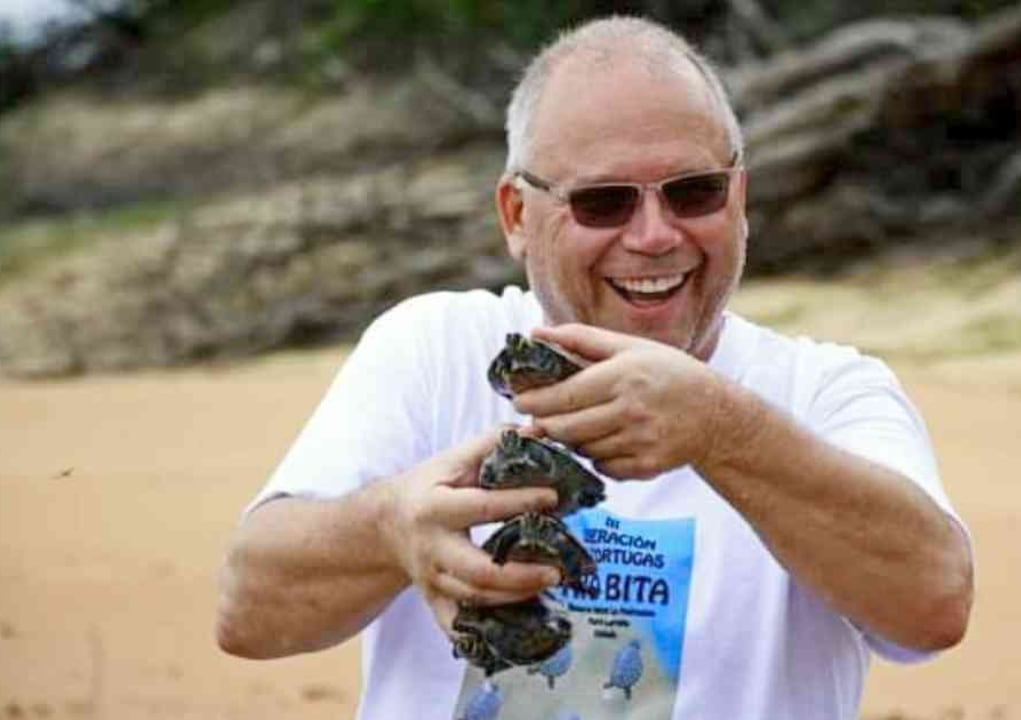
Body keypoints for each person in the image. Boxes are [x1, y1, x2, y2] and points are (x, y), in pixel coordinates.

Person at [216, 14, 974, 720]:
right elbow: (249, 608)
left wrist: (721, 429)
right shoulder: (438, 348)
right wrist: (390, 530)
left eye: (694, 192)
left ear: (740, 195)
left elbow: (934, 603)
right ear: (516, 216)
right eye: (603, 203)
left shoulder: (826, 391)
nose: (654, 235)